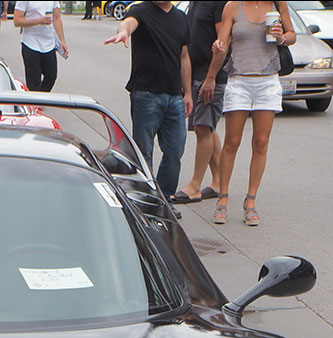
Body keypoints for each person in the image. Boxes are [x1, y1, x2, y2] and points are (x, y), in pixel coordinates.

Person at [207, 0, 294, 226]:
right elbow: (223, 42)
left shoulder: (277, 4)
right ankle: (223, 198)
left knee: (261, 142)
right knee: (232, 141)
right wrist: (216, 51)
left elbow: (292, 35)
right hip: (239, 81)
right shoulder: (232, 7)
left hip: (268, 81)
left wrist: (282, 37)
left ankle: (251, 200)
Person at [104, 0, 193, 201]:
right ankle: (144, 200)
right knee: (143, 153)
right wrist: (124, 32)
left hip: (175, 97)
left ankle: (163, 198)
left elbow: (184, 57)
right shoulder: (140, 10)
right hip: (146, 95)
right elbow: (129, 23)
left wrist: (187, 93)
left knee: (175, 151)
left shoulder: (181, 18)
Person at [175, 0, 224, 203]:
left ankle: (195, 186)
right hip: (195, 75)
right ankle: (220, 181)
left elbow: (223, 43)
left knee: (203, 127)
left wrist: (211, 77)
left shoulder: (219, 3)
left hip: (210, 77)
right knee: (207, 128)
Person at [12, 0, 66, 92]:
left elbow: (56, 18)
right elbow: (17, 21)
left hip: (48, 43)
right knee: (34, 80)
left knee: (51, 76)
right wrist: (38, 21)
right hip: (30, 43)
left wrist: (62, 40)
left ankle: (40, 99)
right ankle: (35, 103)